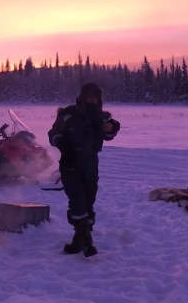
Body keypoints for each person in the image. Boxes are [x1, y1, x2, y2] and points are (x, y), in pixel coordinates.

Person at [48, 82, 120, 257]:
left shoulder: (101, 117)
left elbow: (108, 134)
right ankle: (87, 243)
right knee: (78, 201)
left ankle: (78, 239)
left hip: (90, 164)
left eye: (96, 97)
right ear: (82, 96)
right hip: (69, 163)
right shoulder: (68, 115)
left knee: (88, 202)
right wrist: (62, 144)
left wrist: (113, 127)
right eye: (89, 96)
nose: (92, 100)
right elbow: (53, 135)